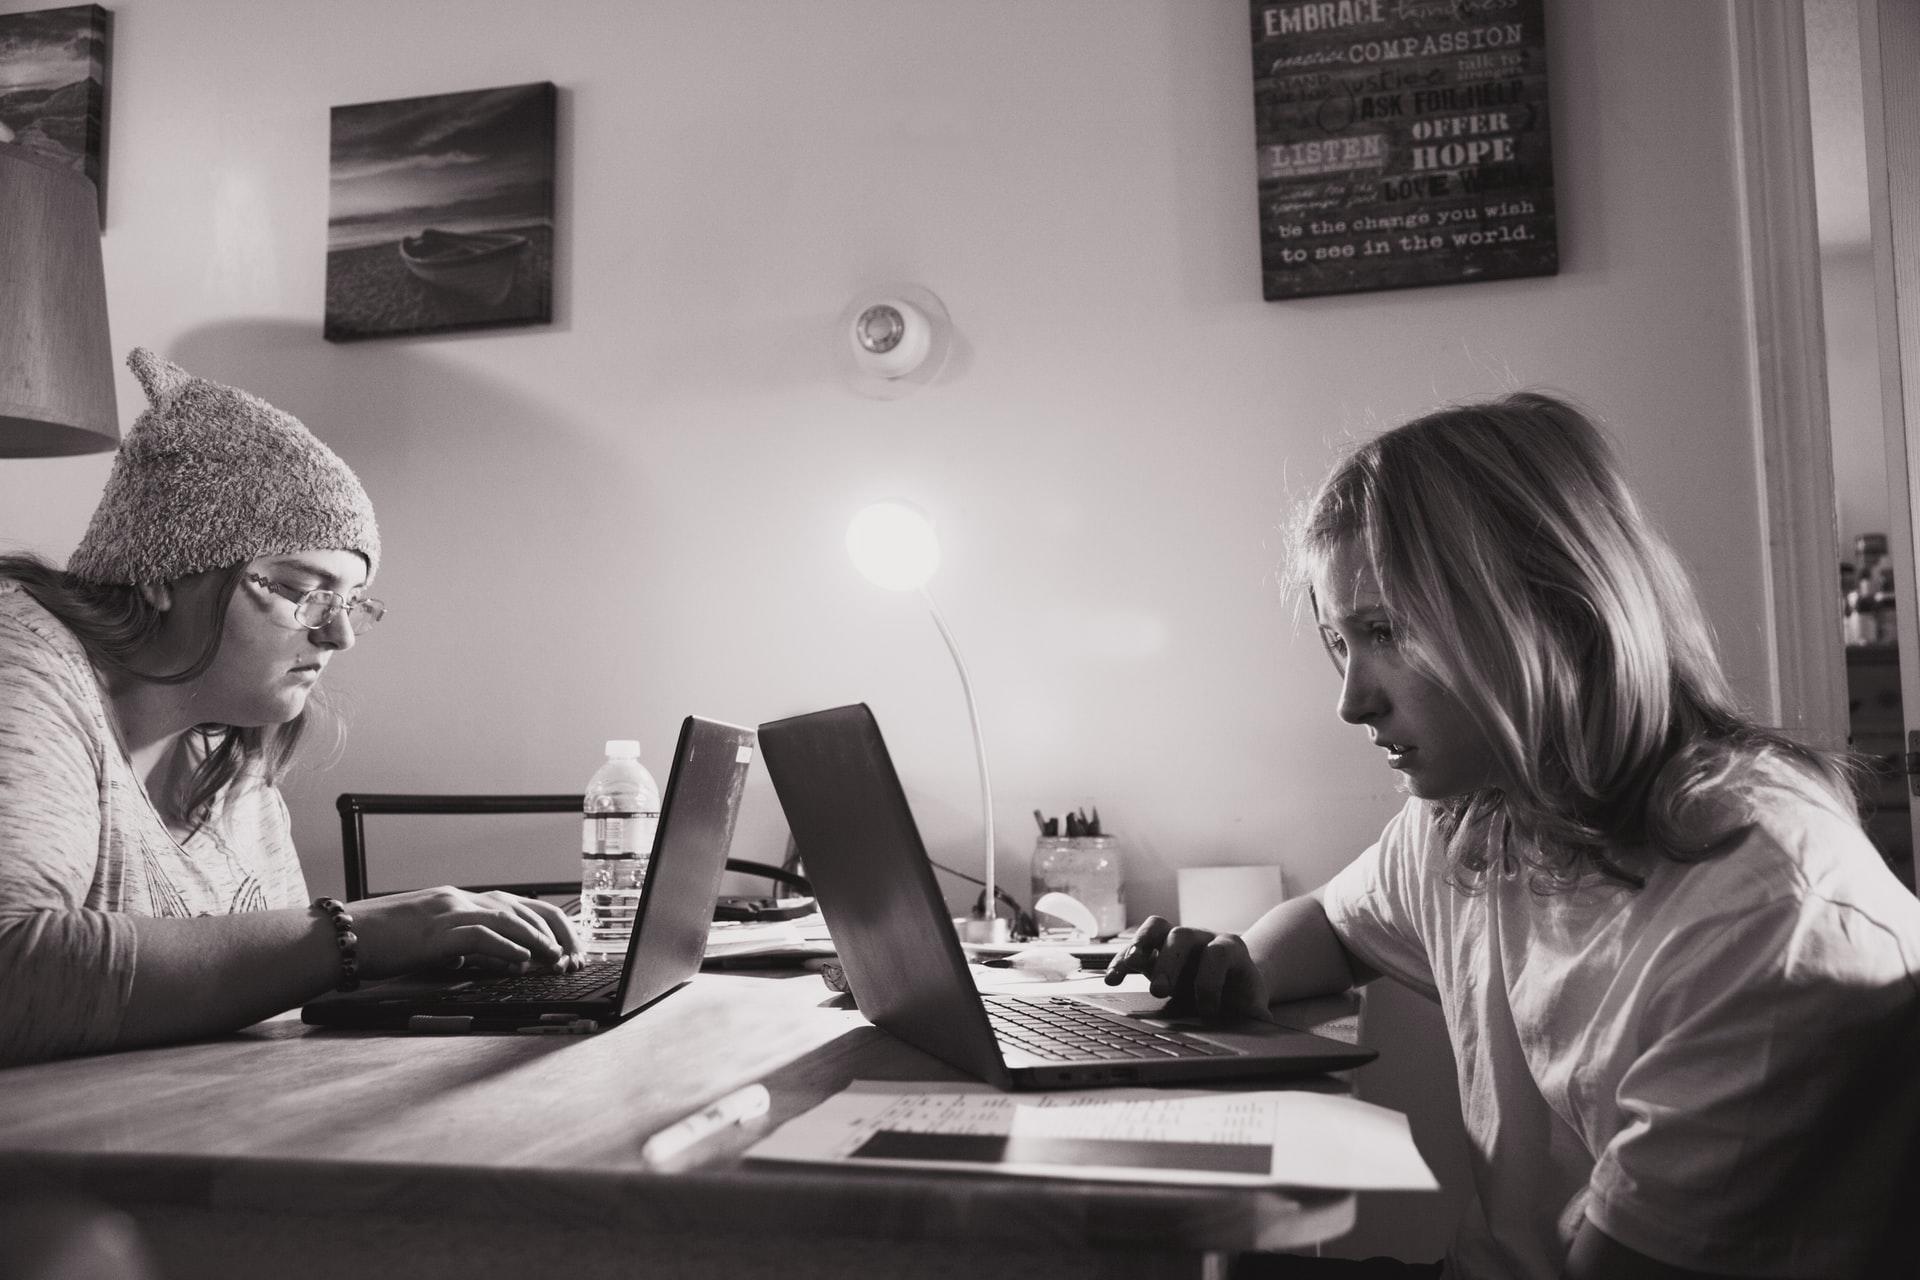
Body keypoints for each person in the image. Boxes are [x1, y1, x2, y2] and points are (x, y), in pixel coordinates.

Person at [1106, 392, 1920, 1279]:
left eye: (1388, 630)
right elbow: (1333, 925)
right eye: (1341, 642)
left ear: (1554, 609)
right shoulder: (1485, 808)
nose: (1352, 700)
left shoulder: (1762, 911)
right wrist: (1242, 966)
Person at [0, 349, 581, 1068]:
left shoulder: (229, 746)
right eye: (306, 591)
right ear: (160, 572)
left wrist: (414, 967)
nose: (337, 635)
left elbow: (267, 994)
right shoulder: (19, 657)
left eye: (351, 603)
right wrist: (359, 935)